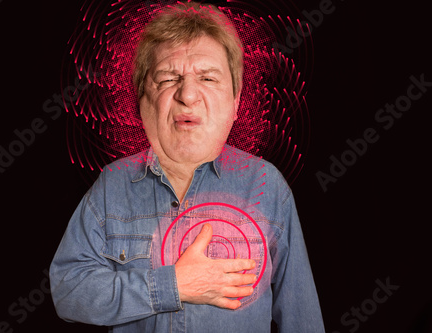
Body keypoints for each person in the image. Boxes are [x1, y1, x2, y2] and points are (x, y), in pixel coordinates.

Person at [50, 2, 325, 332]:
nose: (188, 95)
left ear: (236, 102)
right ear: (141, 100)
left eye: (208, 78)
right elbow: (68, 291)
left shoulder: (267, 186)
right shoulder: (112, 185)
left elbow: (303, 320)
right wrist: (173, 286)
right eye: (168, 78)